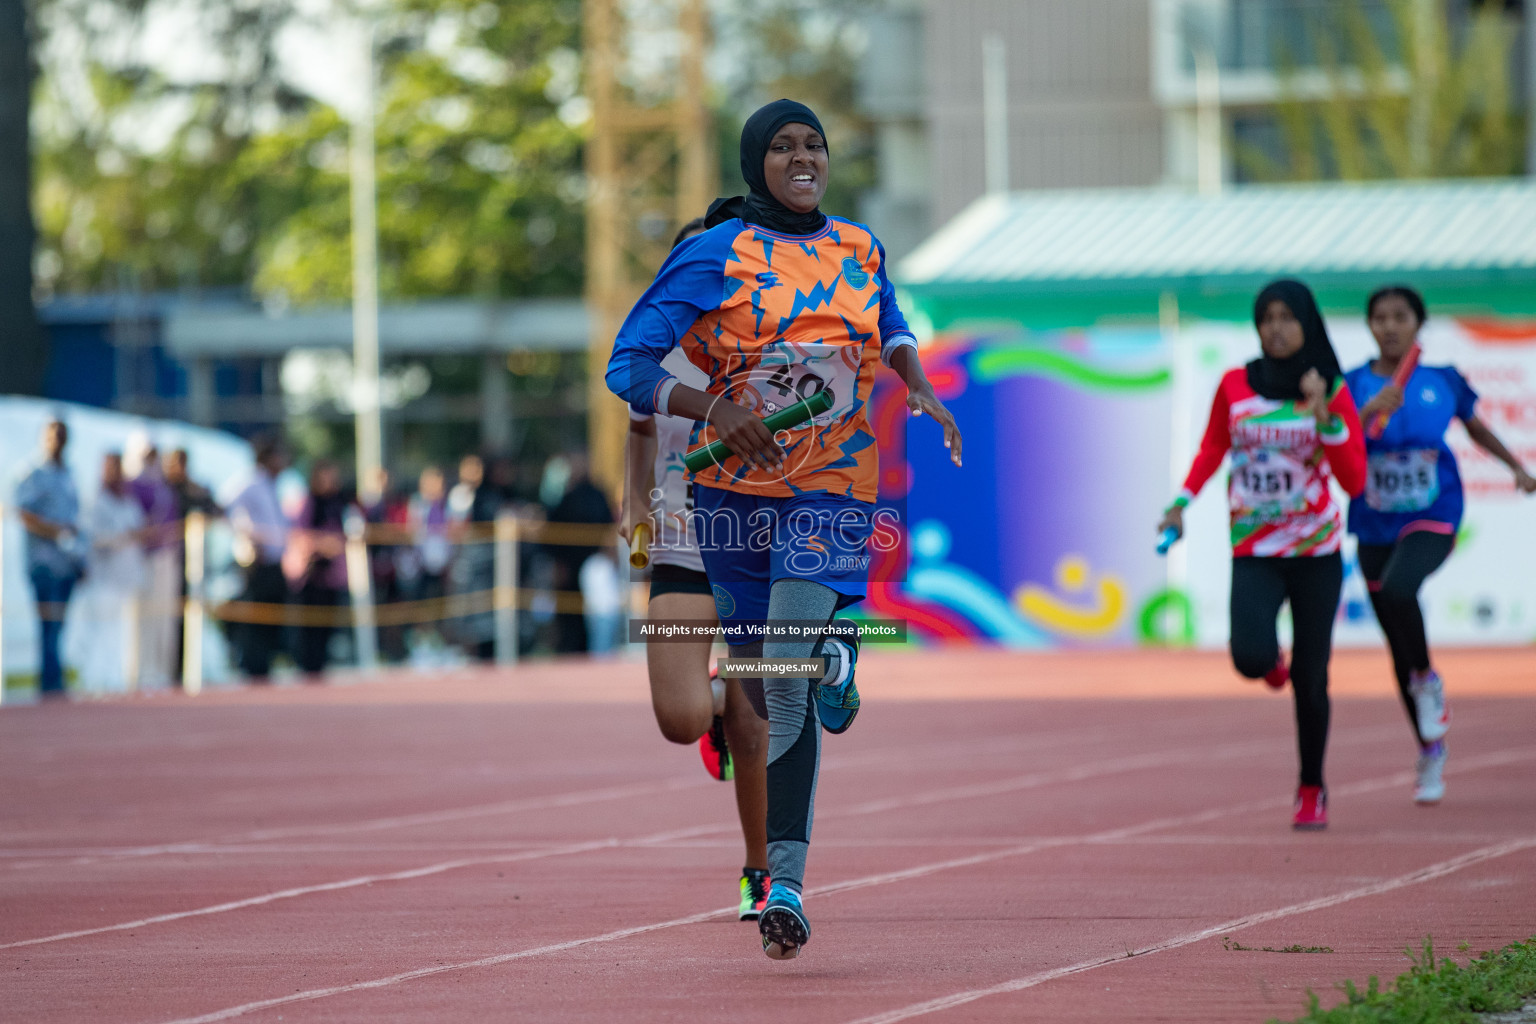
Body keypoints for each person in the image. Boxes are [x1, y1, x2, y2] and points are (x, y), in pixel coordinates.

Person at [606, 99, 961, 959]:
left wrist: (914, 378)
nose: (804, 157)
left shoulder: (858, 247)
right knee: (706, 707)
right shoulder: (705, 270)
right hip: (713, 514)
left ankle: (781, 882)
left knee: (788, 680)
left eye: (815, 144)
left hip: (833, 486)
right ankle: (794, 673)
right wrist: (693, 432)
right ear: (752, 163)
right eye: (783, 147)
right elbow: (630, 381)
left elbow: (892, 324)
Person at [1158, 279, 1366, 831]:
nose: (1276, 328)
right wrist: (1180, 503)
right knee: (1250, 657)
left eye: (1287, 317)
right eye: (1266, 317)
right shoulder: (1234, 385)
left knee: (1312, 677)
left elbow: (1355, 479)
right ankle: (1271, 663)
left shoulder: (1331, 387)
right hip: (1254, 547)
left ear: (1307, 323)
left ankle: (1311, 785)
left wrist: (1325, 415)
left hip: (1316, 550)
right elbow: (1212, 448)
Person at [619, 215, 772, 922]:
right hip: (681, 547)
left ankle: (760, 872)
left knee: (754, 720)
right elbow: (640, 428)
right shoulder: (660, 350)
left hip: (754, 552)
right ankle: (708, 703)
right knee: (680, 721)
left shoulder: (771, 343)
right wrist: (635, 509)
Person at [1345, 285, 1536, 805]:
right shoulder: (1353, 384)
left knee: (1401, 589)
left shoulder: (1442, 379)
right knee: (1396, 643)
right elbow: (1334, 444)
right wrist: (1363, 414)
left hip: (1435, 514)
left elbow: (1476, 429)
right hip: (1374, 521)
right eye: (1379, 318)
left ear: (1418, 323)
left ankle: (1428, 679)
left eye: (1400, 317)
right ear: (1368, 326)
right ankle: (1430, 749)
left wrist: (1516, 467)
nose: (1389, 326)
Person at [14, 419, 84, 699]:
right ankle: (50, 685)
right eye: (53, 435)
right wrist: (54, 531)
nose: (58, 440)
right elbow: (23, 514)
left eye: (62, 435)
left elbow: (75, 516)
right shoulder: (31, 473)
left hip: (67, 562)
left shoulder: (69, 473)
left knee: (60, 624)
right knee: (48, 624)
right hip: (43, 563)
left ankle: (55, 681)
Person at [221, 435, 291, 682]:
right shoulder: (249, 481)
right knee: (255, 616)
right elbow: (225, 505)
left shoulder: (272, 484)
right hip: (256, 562)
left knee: (273, 615)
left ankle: (265, 666)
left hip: (275, 561)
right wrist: (248, 535)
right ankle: (252, 666)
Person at [78, 452, 146, 694]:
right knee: (101, 634)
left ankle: (117, 682)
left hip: (127, 579)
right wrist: (122, 538)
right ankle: (94, 683)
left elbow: (139, 529)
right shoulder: (96, 501)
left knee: (122, 637)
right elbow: (94, 539)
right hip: (104, 580)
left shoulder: (128, 501)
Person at [544, 453, 614, 655]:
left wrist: (609, 555)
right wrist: (558, 564)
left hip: (594, 564)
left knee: (598, 614)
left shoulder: (597, 495)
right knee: (570, 619)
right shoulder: (563, 497)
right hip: (570, 566)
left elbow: (609, 526)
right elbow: (553, 532)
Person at [124, 436, 180, 689]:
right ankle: (142, 670)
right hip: (141, 559)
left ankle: (163, 670)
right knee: (142, 617)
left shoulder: (163, 485)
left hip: (165, 558)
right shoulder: (131, 486)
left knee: (165, 616)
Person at [285, 460, 349, 679]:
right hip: (311, 573)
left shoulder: (339, 502)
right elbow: (300, 533)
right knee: (308, 625)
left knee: (327, 624)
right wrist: (324, 544)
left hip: (331, 574)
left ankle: (320, 666)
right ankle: (307, 667)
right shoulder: (309, 501)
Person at [164, 447, 219, 684]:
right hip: (165, 564)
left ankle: (186, 669)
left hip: (192, 566)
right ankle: (169, 669)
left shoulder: (195, 490)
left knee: (191, 616)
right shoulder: (163, 489)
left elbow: (216, 510)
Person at [448, 454, 500, 661]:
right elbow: (455, 529)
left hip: (481, 561)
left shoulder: (488, 495)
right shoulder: (460, 495)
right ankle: (463, 654)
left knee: (481, 612)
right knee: (463, 611)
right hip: (464, 560)